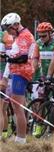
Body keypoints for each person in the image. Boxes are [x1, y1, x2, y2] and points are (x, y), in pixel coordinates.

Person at [0, 13, 35, 143]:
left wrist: (7, 58)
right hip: (17, 72)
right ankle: (20, 137)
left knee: (17, 107)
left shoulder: (25, 36)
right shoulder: (18, 36)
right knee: (17, 107)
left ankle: (21, 139)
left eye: (9, 28)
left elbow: (23, 57)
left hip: (22, 73)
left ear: (15, 25)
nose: (8, 32)